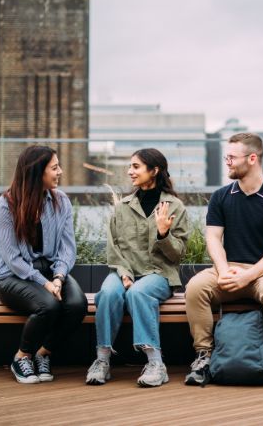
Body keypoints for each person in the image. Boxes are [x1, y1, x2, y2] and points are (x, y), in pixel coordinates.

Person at [184, 132, 263, 388]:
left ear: (252, 158)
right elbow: (213, 238)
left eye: (232, 157)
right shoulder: (221, 197)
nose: (228, 162)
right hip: (228, 269)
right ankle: (204, 357)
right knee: (195, 289)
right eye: (227, 157)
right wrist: (222, 271)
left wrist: (249, 275)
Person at [86, 148, 189, 388]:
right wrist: (124, 274)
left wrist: (163, 232)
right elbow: (114, 248)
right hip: (124, 270)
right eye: (130, 166)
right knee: (109, 293)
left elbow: (179, 254)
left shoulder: (174, 206)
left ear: (154, 171)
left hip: (159, 274)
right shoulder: (122, 206)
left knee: (138, 292)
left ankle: (156, 364)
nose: (130, 171)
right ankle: (102, 361)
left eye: (136, 167)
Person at [0, 145, 87, 384]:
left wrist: (58, 277)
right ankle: (21, 357)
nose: (60, 172)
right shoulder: (5, 205)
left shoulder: (61, 201)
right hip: (11, 276)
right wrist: (43, 283)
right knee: (48, 306)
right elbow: (12, 258)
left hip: (51, 272)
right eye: (55, 167)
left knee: (77, 304)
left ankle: (43, 353)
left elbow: (67, 248)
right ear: (37, 172)